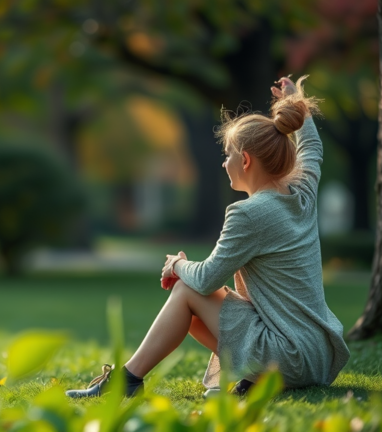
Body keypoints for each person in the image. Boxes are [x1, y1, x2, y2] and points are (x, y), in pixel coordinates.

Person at [66, 76, 350, 399]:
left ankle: (127, 381)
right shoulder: (303, 192)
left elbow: (204, 281)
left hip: (290, 358)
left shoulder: (248, 214)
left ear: (245, 160)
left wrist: (177, 264)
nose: (225, 162)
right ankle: (255, 380)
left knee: (186, 288)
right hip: (319, 356)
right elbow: (312, 148)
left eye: (228, 155)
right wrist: (296, 103)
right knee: (196, 297)